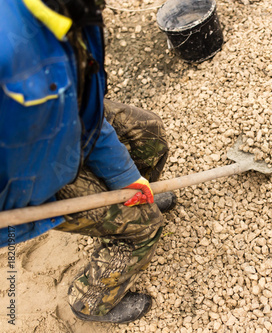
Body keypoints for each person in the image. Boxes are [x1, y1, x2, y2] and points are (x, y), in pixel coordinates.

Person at [0, 0, 176, 323]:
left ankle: (139, 199)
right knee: (146, 227)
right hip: (29, 183)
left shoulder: (71, 12)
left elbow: (82, 112)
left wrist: (127, 177)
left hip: (60, 123)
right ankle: (91, 301)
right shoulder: (11, 53)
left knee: (150, 138)